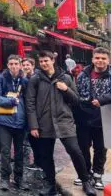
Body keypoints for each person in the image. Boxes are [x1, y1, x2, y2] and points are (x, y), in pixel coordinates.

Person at [27, 51, 96, 196]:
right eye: (41, 61)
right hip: (43, 123)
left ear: (53, 60)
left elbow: (76, 100)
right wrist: (33, 125)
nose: (44, 63)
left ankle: (85, 181)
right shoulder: (35, 79)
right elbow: (30, 103)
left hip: (64, 121)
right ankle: (50, 185)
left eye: (46, 60)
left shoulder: (65, 77)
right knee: (46, 156)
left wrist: (66, 90)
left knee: (75, 151)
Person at [74, 47, 111, 190]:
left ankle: (97, 174)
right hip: (84, 115)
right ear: (93, 59)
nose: (100, 61)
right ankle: (84, 174)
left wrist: (102, 99)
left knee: (100, 148)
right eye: (97, 58)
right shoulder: (83, 74)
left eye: (103, 58)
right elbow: (76, 92)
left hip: (105, 115)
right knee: (83, 146)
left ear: (108, 60)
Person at [0, 54, 28, 192]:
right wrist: (10, 102)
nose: (13, 66)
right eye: (11, 64)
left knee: (20, 152)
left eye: (16, 64)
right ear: (8, 65)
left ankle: (19, 178)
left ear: (20, 65)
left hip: (20, 121)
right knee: (5, 151)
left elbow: (29, 101)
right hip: (4, 121)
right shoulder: (0, 79)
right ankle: (5, 178)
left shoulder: (24, 81)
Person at [21, 57, 41, 171]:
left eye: (28, 65)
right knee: (27, 136)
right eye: (24, 65)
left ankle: (39, 161)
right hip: (25, 110)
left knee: (36, 137)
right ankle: (28, 159)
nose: (26, 67)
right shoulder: (23, 77)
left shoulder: (37, 78)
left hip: (35, 111)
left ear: (33, 66)